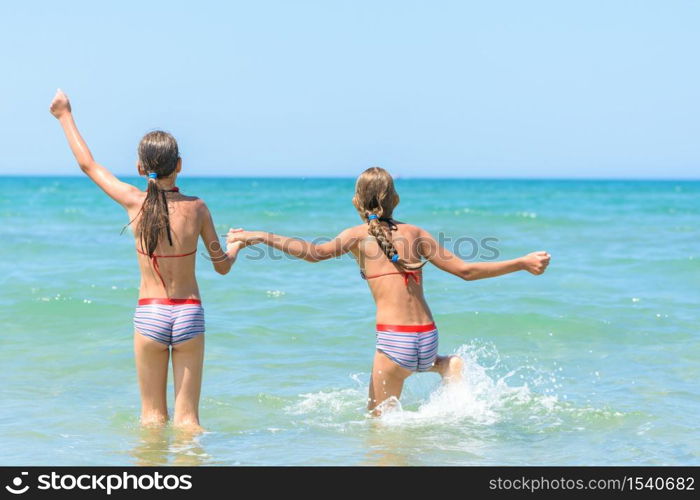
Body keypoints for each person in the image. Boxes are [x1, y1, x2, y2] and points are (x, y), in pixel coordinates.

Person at [227, 167, 550, 415]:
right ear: (395, 200)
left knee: (380, 426)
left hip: (395, 340)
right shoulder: (417, 233)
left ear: (356, 201)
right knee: (422, 373)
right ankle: (445, 364)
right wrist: (520, 262)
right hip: (427, 335)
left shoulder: (356, 236)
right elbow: (466, 272)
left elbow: (314, 253)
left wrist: (259, 235)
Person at [49, 89, 243, 429]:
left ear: (140, 168)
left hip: (150, 311)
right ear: (179, 165)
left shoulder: (133, 202)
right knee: (188, 423)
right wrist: (237, 244)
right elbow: (222, 266)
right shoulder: (197, 207)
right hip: (188, 314)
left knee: (152, 419)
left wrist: (65, 116)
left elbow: (88, 165)